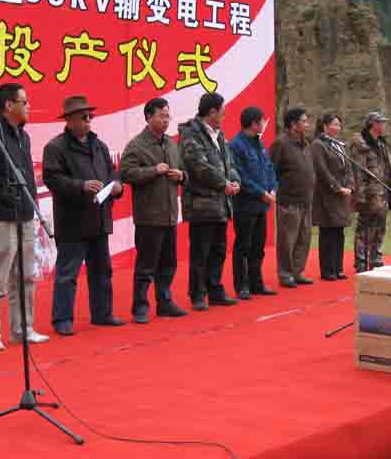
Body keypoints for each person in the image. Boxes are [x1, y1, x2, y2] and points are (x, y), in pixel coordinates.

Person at [0, 83, 49, 352]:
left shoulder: (23, 137)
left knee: (25, 277)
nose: (29, 106)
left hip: (24, 215)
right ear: (8, 106)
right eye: (24, 102)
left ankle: (22, 328)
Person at [43, 95, 126, 335]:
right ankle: (62, 319)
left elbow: (112, 173)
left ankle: (102, 313)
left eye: (90, 116)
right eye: (84, 117)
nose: (89, 121)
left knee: (102, 270)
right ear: (69, 120)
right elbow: (52, 179)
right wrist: (81, 186)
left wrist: (117, 187)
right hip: (73, 221)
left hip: (99, 218)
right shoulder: (56, 147)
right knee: (68, 273)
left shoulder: (99, 146)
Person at [119, 97, 189, 323]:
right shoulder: (137, 145)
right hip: (149, 216)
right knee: (146, 266)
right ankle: (140, 306)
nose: (166, 120)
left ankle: (165, 302)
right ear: (149, 117)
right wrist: (153, 170)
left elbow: (184, 171)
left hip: (169, 215)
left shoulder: (171, 143)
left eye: (168, 116)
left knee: (168, 264)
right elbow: (125, 173)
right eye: (161, 116)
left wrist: (182, 176)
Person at [178, 92, 241, 311]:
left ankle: (215, 290)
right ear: (212, 112)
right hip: (202, 203)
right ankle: (197, 294)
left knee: (218, 250)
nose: (224, 114)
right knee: (200, 251)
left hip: (221, 203)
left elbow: (229, 164)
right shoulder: (191, 135)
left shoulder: (219, 135)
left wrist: (235, 180)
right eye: (222, 110)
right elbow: (199, 167)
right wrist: (223, 184)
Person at [228, 106, 278, 299]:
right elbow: (240, 175)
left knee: (258, 246)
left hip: (262, 204)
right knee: (244, 245)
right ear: (253, 123)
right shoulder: (236, 145)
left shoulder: (259, 143)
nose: (264, 123)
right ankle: (241, 285)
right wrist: (260, 192)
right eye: (261, 120)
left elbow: (269, 169)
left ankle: (256, 282)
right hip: (245, 204)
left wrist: (272, 189)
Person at [270, 107, 315, 288]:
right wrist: (274, 191)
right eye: (303, 121)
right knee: (287, 240)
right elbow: (271, 169)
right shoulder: (281, 143)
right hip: (289, 200)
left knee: (304, 238)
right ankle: (286, 273)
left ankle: (298, 271)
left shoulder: (306, 143)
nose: (307, 124)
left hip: (306, 199)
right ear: (293, 124)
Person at [350, 111, 391, 273]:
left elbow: (387, 169)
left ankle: (376, 258)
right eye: (380, 122)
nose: (383, 125)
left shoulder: (382, 143)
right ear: (372, 124)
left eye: (384, 122)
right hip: (369, 193)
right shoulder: (361, 144)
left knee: (380, 227)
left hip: (383, 192)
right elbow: (358, 172)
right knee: (364, 229)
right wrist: (360, 196)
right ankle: (361, 261)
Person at [311, 114, 354, 280]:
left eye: (339, 125)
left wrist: (349, 186)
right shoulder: (318, 145)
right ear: (325, 126)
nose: (338, 128)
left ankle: (338, 267)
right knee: (327, 231)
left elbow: (348, 168)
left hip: (342, 194)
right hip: (327, 194)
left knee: (339, 231)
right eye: (334, 125)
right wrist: (337, 187)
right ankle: (327, 270)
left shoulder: (339, 144)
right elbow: (321, 170)